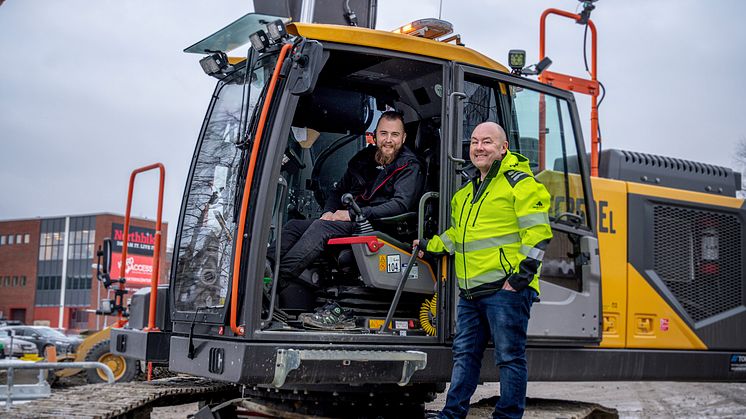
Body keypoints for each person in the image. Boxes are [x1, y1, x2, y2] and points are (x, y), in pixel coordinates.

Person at [414, 122, 552, 419]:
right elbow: (458, 235)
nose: (478, 147)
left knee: (509, 358)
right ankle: (451, 414)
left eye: (487, 142)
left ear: (503, 148)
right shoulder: (464, 193)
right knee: (464, 357)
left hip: (506, 291)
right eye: (474, 141)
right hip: (470, 293)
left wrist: (519, 279)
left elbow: (539, 234)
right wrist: (431, 245)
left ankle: (507, 416)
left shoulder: (521, 184)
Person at [274, 110, 424, 330]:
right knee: (294, 226)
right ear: (375, 135)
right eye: (384, 134)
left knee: (321, 229)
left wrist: (353, 214)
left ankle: (278, 282)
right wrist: (329, 210)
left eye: (394, 134)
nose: (389, 140)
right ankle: (267, 271)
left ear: (403, 138)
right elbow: (339, 190)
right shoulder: (362, 160)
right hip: (351, 221)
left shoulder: (409, 166)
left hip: (381, 225)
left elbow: (400, 205)